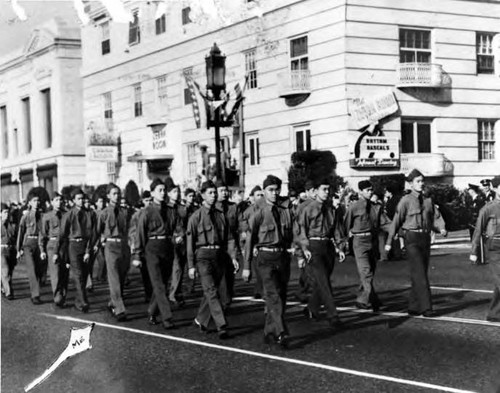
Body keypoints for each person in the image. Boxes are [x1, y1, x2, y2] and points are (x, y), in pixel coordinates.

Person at [385, 169, 447, 317]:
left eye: (422, 181)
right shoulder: (406, 201)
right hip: (411, 238)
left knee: (420, 273)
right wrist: (389, 241)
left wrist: (442, 228)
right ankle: (426, 308)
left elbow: (436, 217)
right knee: (420, 273)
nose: (421, 184)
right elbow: (396, 221)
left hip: (425, 238)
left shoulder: (428, 200)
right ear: (410, 184)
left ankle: (413, 306)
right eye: (418, 181)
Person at [243, 175, 294, 347]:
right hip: (265, 258)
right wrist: (246, 267)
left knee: (282, 295)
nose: (274, 193)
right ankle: (281, 331)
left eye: (277, 189)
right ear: (264, 192)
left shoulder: (285, 212)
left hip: (282, 257)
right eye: (270, 190)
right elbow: (249, 241)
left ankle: (269, 331)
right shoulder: (258, 215)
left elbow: (294, 233)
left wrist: (298, 250)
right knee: (273, 296)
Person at [187, 180, 236, 339]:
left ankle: (200, 319)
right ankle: (221, 325)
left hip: (219, 256)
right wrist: (191, 266)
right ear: (202, 195)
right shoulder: (195, 217)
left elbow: (229, 239)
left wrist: (233, 257)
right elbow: (190, 242)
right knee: (211, 291)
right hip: (203, 257)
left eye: (215, 193)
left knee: (218, 292)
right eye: (210, 193)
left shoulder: (221, 216)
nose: (214, 196)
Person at [133, 178, 182, 329]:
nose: (162, 193)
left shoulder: (171, 210)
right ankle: (167, 318)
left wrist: (179, 235)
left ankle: (152, 311)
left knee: (162, 284)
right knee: (159, 284)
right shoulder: (146, 211)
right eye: (159, 190)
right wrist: (137, 255)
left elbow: (179, 227)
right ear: (153, 192)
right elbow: (140, 234)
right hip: (152, 248)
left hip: (167, 247)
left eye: (164, 190)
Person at [297, 178, 345, 329]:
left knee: (321, 281)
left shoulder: (331, 209)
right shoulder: (307, 208)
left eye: (328, 189)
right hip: (313, 246)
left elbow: (336, 229)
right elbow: (300, 230)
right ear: (316, 190)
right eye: (324, 189)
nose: (327, 192)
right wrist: (303, 250)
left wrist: (340, 247)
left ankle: (311, 308)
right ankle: (333, 315)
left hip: (327, 246)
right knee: (324, 282)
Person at [344, 180, 384, 312]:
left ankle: (362, 299)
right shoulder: (354, 207)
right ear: (360, 191)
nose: (370, 192)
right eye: (367, 190)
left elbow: (383, 222)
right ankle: (373, 299)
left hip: (372, 241)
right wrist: (343, 242)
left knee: (370, 272)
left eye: (371, 189)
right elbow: (346, 224)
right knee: (366, 272)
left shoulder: (375, 206)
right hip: (359, 241)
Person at [57, 188, 97, 312]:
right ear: (73, 200)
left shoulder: (90, 214)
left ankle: (78, 302)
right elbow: (62, 235)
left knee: (85, 275)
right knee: (78, 274)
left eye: (82, 198)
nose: (81, 201)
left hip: (85, 246)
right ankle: (84, 301)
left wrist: (88, 250)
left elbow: (93, 233)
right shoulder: (68, 215)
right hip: (73, 246)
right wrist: (56, 252)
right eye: (78, 199)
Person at [96, 184, 131, 322]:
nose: (117, 196)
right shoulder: (104, 213)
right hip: (110, 246)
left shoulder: (125, 212)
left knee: (122, 277)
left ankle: (113, 302)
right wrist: (99, 242)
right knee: (114, 278)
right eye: (114, 193)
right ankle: (120, 310)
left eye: (118, 193)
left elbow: (128, 229)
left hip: (123, 245)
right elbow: (98, 230)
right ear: (108, 196)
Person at [470, 177, 500, 322]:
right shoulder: (488, 208)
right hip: (494, 248)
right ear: (496, 188)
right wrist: (473, 251)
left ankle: (494, 313)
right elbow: (478, 230)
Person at [39, 193, 68, 307]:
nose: (59, 202)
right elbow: (43, 234)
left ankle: (63, 295)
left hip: (64, 246)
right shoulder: (47, 216)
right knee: (55, 273)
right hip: (52, 245)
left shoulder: (66, 214)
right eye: (56, 200)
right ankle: (57, 296)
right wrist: (42, 249)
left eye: (60, 200)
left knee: (64, 272)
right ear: (52, 202)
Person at [215, 179, 240, 309]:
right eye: (221, 191)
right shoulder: (212, 208)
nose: (224, 193)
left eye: (226, 190)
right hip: (216, 246)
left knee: (230, 275)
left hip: (230, 244)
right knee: (221, 276)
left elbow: (237, 227)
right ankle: (222, 303)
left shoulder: (233, 207)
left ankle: (226, 299)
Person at [16, 190, 44, 304]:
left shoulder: (43, 216)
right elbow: (20, 233)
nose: (37, 203)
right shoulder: (26, 216)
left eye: (38, 200)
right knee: (31, 269)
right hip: (28, 244)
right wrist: (18, 249)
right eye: (34, 201)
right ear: (30, 203)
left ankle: (36, 291)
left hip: (40, 244)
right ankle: (35, 295)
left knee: (38, 270)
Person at [165, 179, 187, 307]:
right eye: (174, 192)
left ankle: (174, 294)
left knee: (178, 268)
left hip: (178, 243)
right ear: (168, 193)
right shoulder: (165, 209)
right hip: (167, 242)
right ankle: (171, 294)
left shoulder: (179, 208)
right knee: (172, 269)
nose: (177, 194)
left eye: (178, 192)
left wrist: (180, 235)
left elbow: (180, 225)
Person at [129, 190, 153, 302]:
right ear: (142, 201)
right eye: (146, 200)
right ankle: (149, 293)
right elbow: (133, 231)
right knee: (146, 273)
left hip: (154, 245)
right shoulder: (137, 215)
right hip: (143, 246)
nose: (149, 202)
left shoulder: (156, 212)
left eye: (150, 200)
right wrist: (134, 245)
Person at [1, 203, 17, 300]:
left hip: (11, 250)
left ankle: (3, 287)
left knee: (10, 271)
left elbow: (14, 238)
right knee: (5, 271)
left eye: (8, 212)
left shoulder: (12, 225)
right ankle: (9, 292)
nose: (7, 214)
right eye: (4, 212)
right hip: (1, 250)